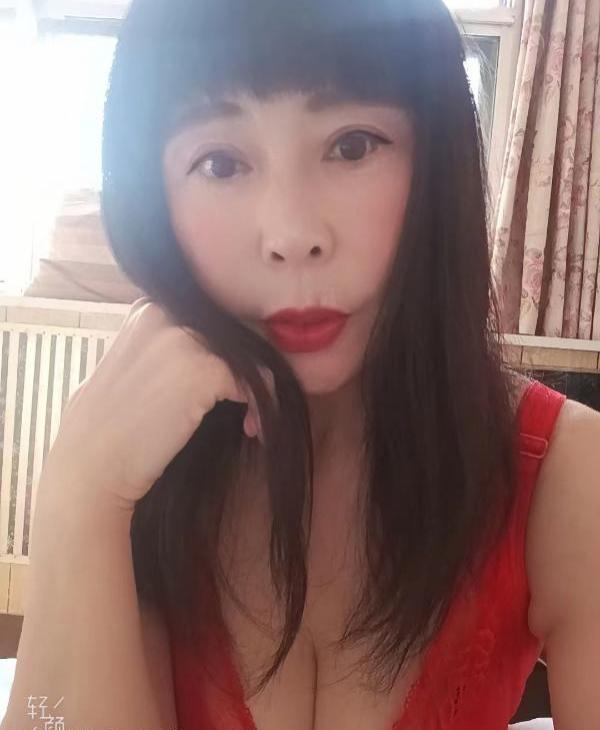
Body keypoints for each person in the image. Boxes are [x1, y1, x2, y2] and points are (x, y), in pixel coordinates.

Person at [2, 1, 599, 729]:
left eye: (352, 145)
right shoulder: (140, 463)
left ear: (436, 162)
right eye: (221, 162)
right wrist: (78, 499)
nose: (291, 234)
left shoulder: (567, 476)